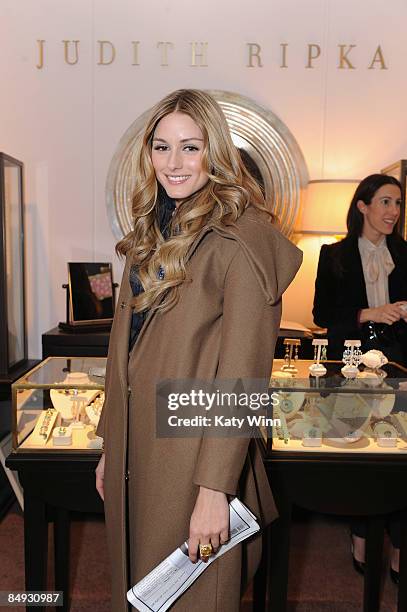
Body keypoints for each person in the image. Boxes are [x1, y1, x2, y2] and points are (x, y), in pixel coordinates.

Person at [95, 89, 302, 611]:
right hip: (136, 443)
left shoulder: (243, 240)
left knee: (191, 598)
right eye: (161, 147)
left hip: (193, 452)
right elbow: (125, 345)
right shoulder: (150, 230)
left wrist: (215, 490)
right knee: (141, 591)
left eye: (191, 147)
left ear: (218, 152)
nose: (174, 163)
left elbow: (243, 376)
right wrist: (107, 443)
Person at [313, 174, 407, 581]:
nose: (394, 212)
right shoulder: (333, 254)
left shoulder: (406, 254)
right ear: (362, 206)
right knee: (362, 453)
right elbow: (321, 317)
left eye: (399, 204)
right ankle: (361, 535)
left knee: (401, 455)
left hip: (400, 363)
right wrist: (369, 313)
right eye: (385, 202)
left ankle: (400, 547)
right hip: (351, 364)